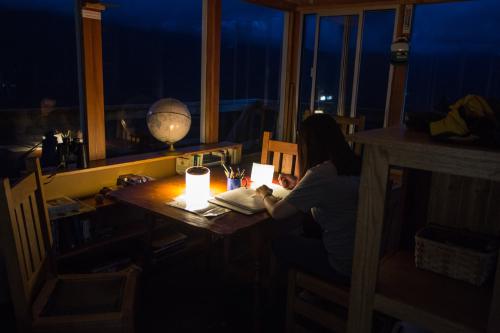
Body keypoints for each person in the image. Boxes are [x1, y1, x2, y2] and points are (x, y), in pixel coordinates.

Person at [255, 113, 361, 283]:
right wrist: (299, 183)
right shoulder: (353, 163)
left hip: (339, 264)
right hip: (360, 259)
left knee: (277, 242)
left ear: (309, 146)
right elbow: (333, 189)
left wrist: (264, 193)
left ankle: (280, 299)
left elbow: (277, 212)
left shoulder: (320, 173)